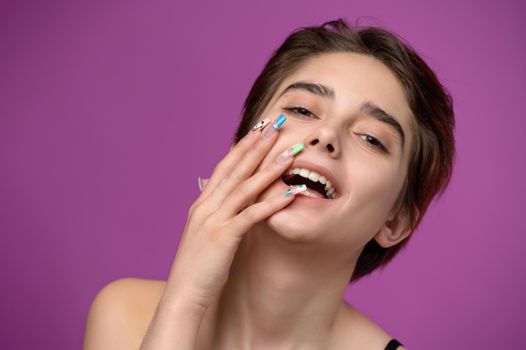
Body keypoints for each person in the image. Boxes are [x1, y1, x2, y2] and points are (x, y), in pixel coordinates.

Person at [84, 18, 454, 349]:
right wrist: (185, 299)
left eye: (371, 138)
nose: (326, 134)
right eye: (302, 110)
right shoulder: (123, 314)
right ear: (238, 151)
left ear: (396, 221)